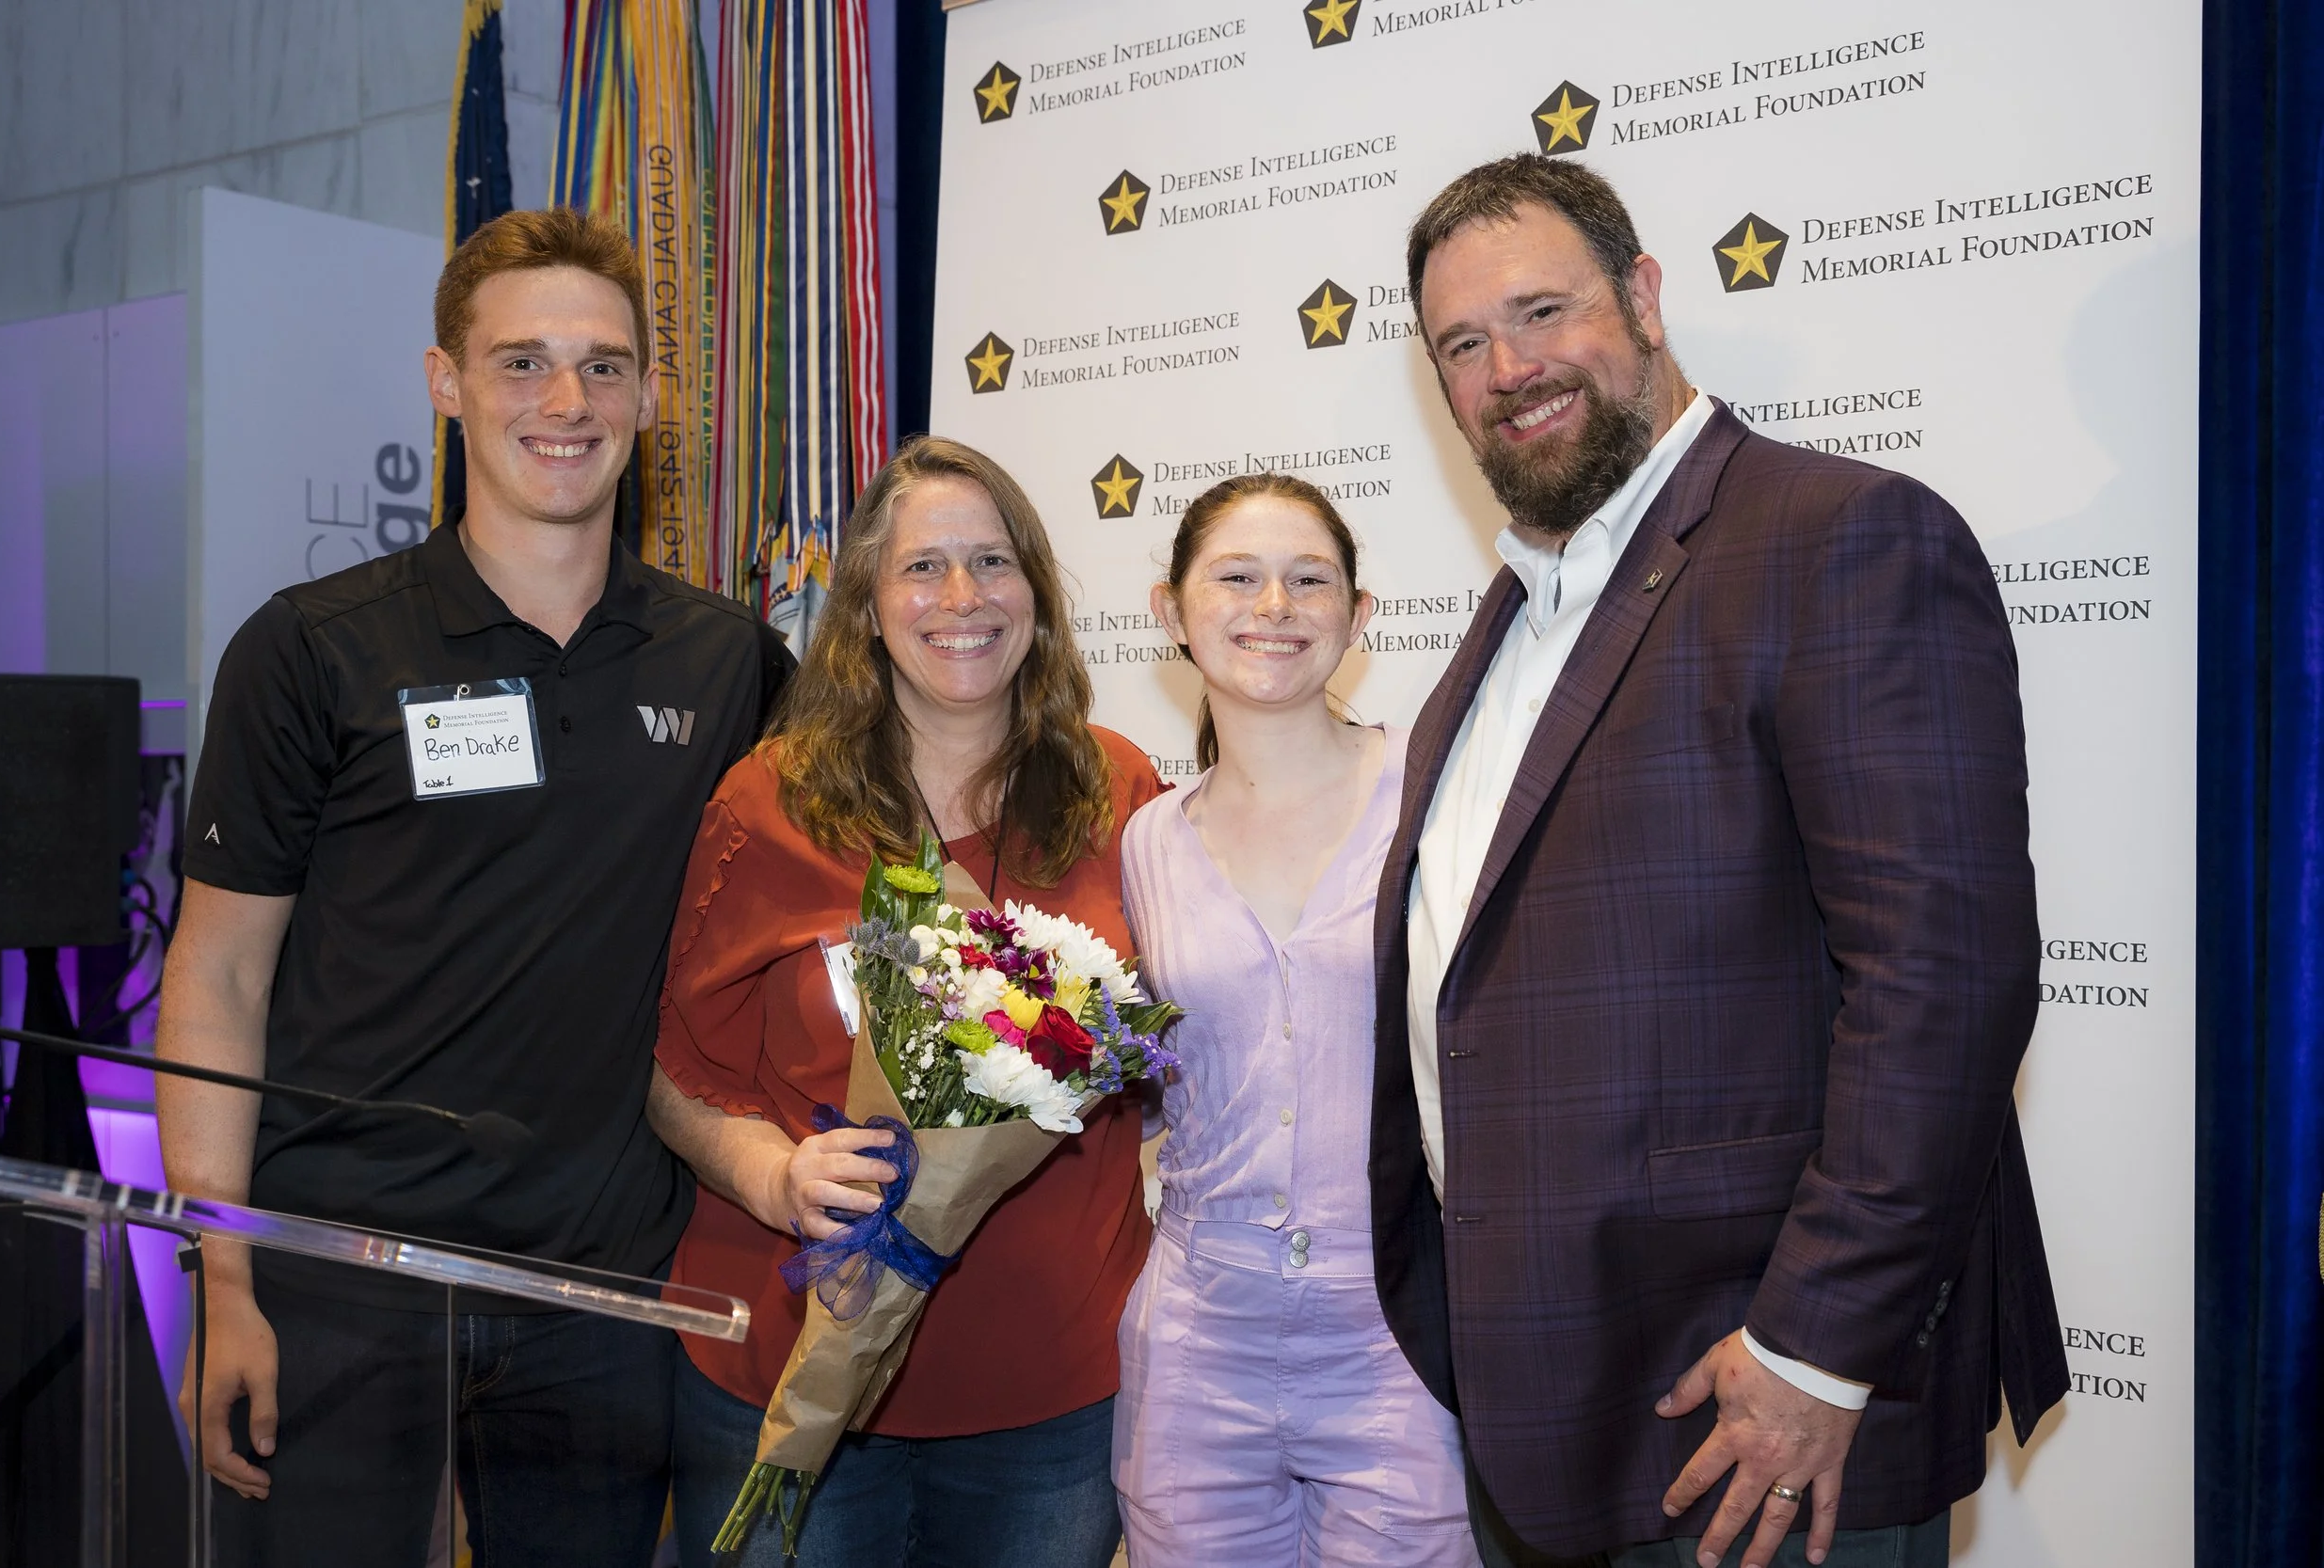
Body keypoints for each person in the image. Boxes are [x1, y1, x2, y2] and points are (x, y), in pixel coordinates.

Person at [1369, 154, 2070, 1568]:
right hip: (1556, 1400)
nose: (1509, 366)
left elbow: (1943, 982)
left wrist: (1817, 1350)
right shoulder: (1515, 611)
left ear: (1641, 295)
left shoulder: (1840, 539)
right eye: (1462, 343)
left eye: (1542, 309)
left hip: (1757, 1424)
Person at [156, 207, 793, 1565]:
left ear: (649, 395)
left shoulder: (728, 664)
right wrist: (222, 1274)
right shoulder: (312, 648)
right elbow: (216, 974)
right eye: (521, 362)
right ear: (445, 382)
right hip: (340, 1281)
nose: (566, 401)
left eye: (604, 364)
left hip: (604, 1295)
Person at [646, 435, 1164, 1568]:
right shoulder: (770, 801)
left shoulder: (1121, 793)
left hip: (1049, 1391)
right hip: (787, 1371)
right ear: (867, 608)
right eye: (923, 568)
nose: (962, 597)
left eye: (993, 561)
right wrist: (774, 1175)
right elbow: (674, 1071)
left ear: (1037, 591)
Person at [1113, 473, 1478, 1566]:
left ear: (1358, 617)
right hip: (1198, 1338)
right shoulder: (1145, 839)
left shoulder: (1437, 795)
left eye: (1308, 579)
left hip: (1398, 1336)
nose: (1272, 604)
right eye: (1236, 576)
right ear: (1171, 611)